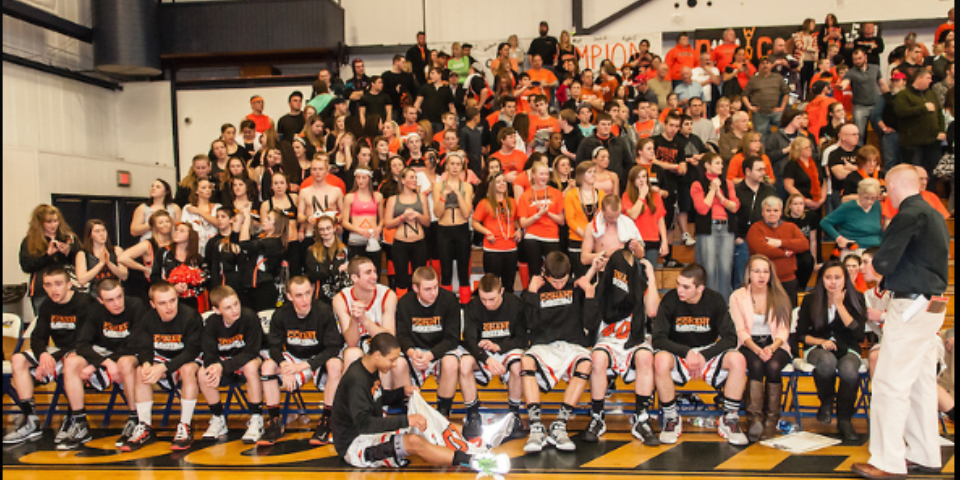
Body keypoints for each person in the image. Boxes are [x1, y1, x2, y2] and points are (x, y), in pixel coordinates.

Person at [852, 165, 951, 479]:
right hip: (932, 305)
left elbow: (883, 261)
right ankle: (924, 453)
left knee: (889, 383)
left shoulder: (907, 214)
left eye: (885, 188)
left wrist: (880, 270)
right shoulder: (934, 213)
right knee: (921, 382)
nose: (885, 194)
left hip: (911, 303)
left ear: (893, 185)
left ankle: (887, 461)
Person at [330, 332, 508, 473]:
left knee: (426, 419)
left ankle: (478, 434)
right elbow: (364, 424)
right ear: (377, 355)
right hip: (355, 445)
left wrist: (401, 392)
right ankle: (476, 462)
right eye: (391, 360)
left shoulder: (370, 368)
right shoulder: (356, 379)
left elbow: (377, 397)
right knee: (414, 441)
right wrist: (407, 420)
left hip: (369, 434)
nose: (393, 365)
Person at [652, 263, 749, 445]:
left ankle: (729, 419)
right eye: (678, 284)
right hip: (679, 352)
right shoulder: (670, 300)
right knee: (660, 360)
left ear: (700, 288)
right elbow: (658, 338)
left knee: (738, 360)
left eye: (686, 287)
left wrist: (704, 354)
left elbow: (731, 338)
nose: (679, 290)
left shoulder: (715, 300)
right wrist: (686, 352)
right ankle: (671, 417)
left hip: (707, 352)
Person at [258, 276, 358, 446]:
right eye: (298, 295)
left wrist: (304, 366)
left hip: (318, 357)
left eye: (307, 294)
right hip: (294, 356)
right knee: (267, 366)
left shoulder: (323, 311)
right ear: (289, 296)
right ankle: (275, 423)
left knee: (335, 365)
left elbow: (333, 347)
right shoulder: (281, 314)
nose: (304, 300)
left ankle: (326, 421)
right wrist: (284, 366)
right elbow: (274, 346)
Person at [521, 252, 604, 453]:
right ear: (545, 274)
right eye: (554, 281)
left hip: (572, 344)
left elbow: (591, 324)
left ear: (570, 274)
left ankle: (560, 424)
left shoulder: (578, 287)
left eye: (563, 280)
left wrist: (590, 294)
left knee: (586, 363)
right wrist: (531, 292)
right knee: (525, 361)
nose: (559, 285)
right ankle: (536, 427)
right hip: (544, 345)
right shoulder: (535, 289)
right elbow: (528, 325)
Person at [2, 268, 93, 445]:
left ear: (69, 284)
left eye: (58, 284)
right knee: (18, 360)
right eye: (48, 285)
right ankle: (31, 421)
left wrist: (51, 359)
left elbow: (84, 340)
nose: (53, 290)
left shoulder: (84, 303)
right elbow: (38, 336)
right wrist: (43, 355)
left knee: (70, 361)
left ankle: (76, 420)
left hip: (82, 351)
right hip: (59, 350)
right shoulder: (47, 305)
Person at [55, 279, 144, 450]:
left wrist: (96, 365)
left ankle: (135, 419)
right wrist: (104, 362)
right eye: (110, 300)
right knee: (72, 363)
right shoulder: (95, 310)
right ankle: (80, 422)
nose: (117, 303)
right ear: (100, 301)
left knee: (125, 363)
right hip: (104, 355)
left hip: (129, 354)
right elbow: (82, 343)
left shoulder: (136, 306)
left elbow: (135, 343)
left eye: (119, 297)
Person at [585, 245, 661, 444]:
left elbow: (652, 311)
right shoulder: (601, 287)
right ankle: (597, 416)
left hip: (633, 340)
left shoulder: (640, 286)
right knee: (597, 358)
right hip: (608, 341)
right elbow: (585, 309)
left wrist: (651, 277)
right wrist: (593, 270)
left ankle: (641, 417)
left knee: (645, 356)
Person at [120, 281, 203, 452]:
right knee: (140, 371)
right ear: (152, 304)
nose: (169, 307)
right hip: (162, 359)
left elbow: (192, 351)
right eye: (162, 303)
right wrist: (147, 364)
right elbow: (144, 348)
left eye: (172, 300)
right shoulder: (147, 318)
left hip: (186, 359)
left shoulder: (190, 316)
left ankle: (185, 426)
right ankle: (145, 426)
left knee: (187, 369)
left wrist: (164, 367)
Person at [795, 259, 866, 442]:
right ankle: (826, 401)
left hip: (848, 347)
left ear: (845, 279)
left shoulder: (856, 297)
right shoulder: (811, 299)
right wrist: (821, 341)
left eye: (837, 277)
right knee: (827, 362)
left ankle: (844, 420)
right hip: (817, 347)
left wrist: (839, 305)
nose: (833, 282)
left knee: (849, 370)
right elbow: (801, 335)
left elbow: (858, 334)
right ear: (821, 279)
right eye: (828, 277)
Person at [730, 254, 793, 442]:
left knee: (773, 366)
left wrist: (772, 348)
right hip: (748, 343)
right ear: (748, 274)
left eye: (765, 271)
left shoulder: (780, 295)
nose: (761, 275)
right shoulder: (738, 296)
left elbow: (784, 330)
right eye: (756, 271)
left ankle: (771, 420)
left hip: (775, 343)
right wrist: (757, 349)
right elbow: (739, 330)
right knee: (756, 365)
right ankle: (754, 419)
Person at [461, 273, 529, 439]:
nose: (487, 304)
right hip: (482, 352)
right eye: (483, 299)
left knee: (518, 364)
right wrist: (487, 358)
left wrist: (499, 347)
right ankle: (473, 416)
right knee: (463, 364)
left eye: (491, 299)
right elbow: (468, 340)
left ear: (502, 291)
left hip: (508, 348)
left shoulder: (515, 304)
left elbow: (522, 338)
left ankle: (514, 415)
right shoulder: (473, 305)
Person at [198, 286, 265, 444]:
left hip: (252, 357)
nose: (235, 310)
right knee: (203, 372)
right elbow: (208, 352)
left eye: (236, 304)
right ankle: (218, 418)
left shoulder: (249, 317)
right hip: (226, 361)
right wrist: (214, 366)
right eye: (228, 307)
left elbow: (252, 351)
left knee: (250, 367)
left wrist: (223, 367)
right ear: (216, 310)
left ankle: (256, 418)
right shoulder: (212, 323)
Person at [393, 267, 462, 417]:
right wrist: (411, 353)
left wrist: (431, 355)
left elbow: (453, 338)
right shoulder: (405, 302)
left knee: (451, 362)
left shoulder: (449, 300)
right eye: (428, 289)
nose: (433, 293)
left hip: (440, 350)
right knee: (398, 364)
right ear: (415, 288)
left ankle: (443, 411)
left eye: (436, 287)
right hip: (416, 350)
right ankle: (408, 409)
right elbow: (402, 335)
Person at [691, 153, 740, 300]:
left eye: (721, 163)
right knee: (709, 268)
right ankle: (708, 302)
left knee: (725, 269)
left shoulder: (728, 183)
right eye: (717, 163)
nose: (721, 166)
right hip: (708, 228)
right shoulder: (698, 184)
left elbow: (734, 206)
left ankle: (724, 304)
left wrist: (720, 197)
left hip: (726, 228)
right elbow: (702, 209)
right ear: (707, 165)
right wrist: (712, 190)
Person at [746, 197, 810, 305]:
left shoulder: (791, 227)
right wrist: (785, 252)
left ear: (781, 212)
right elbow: (761, 250)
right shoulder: (755, 228)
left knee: (790, 314)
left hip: (788, 280)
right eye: (768, 210)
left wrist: (780, 243)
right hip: (764, 281)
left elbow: (804, 244)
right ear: (762, 212)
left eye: (775, 210)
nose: (772, 214)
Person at [19, 204, 81, 314]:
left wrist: (69, 252)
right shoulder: (30, 241)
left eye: (56, 221)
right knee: (44, 323)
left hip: (67, 288)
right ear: (40, 223)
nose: (53, 225)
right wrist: (47, 255)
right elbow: (27, 266)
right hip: (42, 290)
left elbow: (81, 262)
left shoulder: (67, 238)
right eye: (49, 222)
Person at [431, 154, 474, 302]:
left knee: (463, 272)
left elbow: (467, 213)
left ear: (462, 167)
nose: (455, 167)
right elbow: (437, 213)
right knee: (446, 271)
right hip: (444, 230)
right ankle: (446, 305)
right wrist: (444, 195)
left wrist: (457, 194)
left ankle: (466, 306)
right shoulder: (438, 186)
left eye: (458, 164)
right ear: (447, 166)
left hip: (461, 229)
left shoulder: (467, 186)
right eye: (452, 164)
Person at [895, 68, 947, 185]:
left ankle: (930, 197)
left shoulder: (930, 93)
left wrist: (942, 130)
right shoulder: (904, 95)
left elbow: (939, 114)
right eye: (928, 78)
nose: (931, 81)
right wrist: (923, 108)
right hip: (913, 142)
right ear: (919, 78)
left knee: (932, 172)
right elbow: (901, 112)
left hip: (932, 141)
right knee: (914, 173)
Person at [384, 168, 431, 297]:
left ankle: (419, 304)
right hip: (400, 243)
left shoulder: (421, 197)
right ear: (403, 180)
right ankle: (402, 306)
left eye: (415, 177)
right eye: (411, 177)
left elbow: (427, 221)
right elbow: (387, 223)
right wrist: (402, 218)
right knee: (401, 278)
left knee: (419, 277)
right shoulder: (393, 199)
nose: (414, 180)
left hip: (419, 242)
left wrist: (417, 215)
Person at [733, 157, 777, 291]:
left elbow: (776, 214)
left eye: (764, 169)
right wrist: (736, 237)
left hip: (765, 238)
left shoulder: (769, 190)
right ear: (747, 171)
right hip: (742, 239)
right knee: (742, 278)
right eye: (759, 170)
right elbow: (731, 215)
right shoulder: (736, 190)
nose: (763, 172)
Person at [473, 172, 522, 292]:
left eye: (504, 181)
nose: (502, 184)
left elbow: (516, 221)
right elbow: (474, 223)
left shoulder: (511, 201)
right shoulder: (485, 203)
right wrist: (487, 232)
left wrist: (519, 230)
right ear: (492, 185)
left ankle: (509, 308)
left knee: (509, 284)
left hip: (510, 248)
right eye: (498, 182)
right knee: (492, 284)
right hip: (493, 249)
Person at [239, 207, 288, 311]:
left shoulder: (274, 243)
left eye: (269, 219)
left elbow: (244, 244)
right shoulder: (261, 238)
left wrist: (247, 218)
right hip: (251, 285)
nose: (264, 220)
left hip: (263, 287)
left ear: (277, 224)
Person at [820, 178, 883, 255]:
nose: (869, 201)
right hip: (854, 250)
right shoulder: (848, 207)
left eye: (873, 198)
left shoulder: (877, 205)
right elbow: (825, 222)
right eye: (866, 198)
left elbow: (878, 230)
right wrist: (839, 238)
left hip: (874, 249)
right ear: (859, 194)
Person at [151, 223, 205, 311]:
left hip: (190, 302)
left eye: (182, 231)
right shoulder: (164, 253)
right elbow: (154, 277)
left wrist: (188, 286)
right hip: (167, 299)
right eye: (176, 230)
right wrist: (172, 287)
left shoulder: (197, 259)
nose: (177, 232)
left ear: (191, 235)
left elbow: (204, 281)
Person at [840, 49, 887, 146]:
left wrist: (889, 98)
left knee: (883, 131)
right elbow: (845, 82)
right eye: (855, 59)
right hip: (860, 106)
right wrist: (841, 86)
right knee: (858, 134)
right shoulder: (851, 72)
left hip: (876, 105)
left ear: (865, 57)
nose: (857, 61)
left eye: (859, 58)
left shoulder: (875, 68)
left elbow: (882, 84)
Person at [343, 167, 384, 274]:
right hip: (356, 239)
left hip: (373, 238)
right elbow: (345, 222)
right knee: (357, 271)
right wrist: (359, 230)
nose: (360, 181)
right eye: (358, 178)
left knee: (374, 270)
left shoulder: (377, 196)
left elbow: (382, 219)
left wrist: (379, 228)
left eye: (364, 178)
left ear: (369, 179)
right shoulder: (350, 197)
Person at [743, 57, 789, 135]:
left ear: (771, 65)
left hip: (775, 112)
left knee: (783, 132)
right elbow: (744, 96)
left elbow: (786, 93)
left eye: (767, 63)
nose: (765, 65)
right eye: (763, 63)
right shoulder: (753, 79)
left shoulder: (778, 78)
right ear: (759, 66)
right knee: (760, 137)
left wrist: (782, 108)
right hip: (759, 113)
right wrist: (750, 107)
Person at [784, 194, 818, 291]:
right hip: (790, 250)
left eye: (801, 204)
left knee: (808, 261)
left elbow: (813, 240)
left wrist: (815, 260)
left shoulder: (811, 217)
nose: (799, 207)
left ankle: (802, 288)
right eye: (795, 204)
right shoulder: (784, 220)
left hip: (804, 250)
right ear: (789, 206)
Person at [794, 19, 820, 97]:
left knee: (810, 80)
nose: (813, 26)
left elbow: (815, 46)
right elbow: (799, 45)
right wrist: (811, 49)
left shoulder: (813, 36)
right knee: (801, 79)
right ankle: (800, 96)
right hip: (802, 60)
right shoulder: (798, 35)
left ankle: (809, 96)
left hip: (811, 60)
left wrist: (815, 53)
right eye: (812, 24)